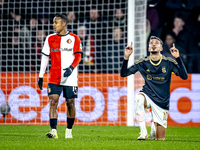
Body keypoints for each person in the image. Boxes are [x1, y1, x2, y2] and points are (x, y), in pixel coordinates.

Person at [120, 36, 188, 140]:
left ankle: (154, 126)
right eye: (151, 43)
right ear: (148, 49)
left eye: (157, 43)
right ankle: (143, 132)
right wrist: (126, 58)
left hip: (162, 101)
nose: (153, 44)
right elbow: (124, 74)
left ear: (161, 48)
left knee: (159, 139)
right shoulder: (143, 62)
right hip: (148, 94)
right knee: (138, 98)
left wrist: (177, 58)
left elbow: (184, 76)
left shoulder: (169, 62)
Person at [37, 14, 83, 139]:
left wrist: (71, 68)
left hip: (70, 76)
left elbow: (78, 56)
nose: (53, 25)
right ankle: (53, 131)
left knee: (70, 103)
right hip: (54, 76)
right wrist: (41, 75)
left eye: (56, 22)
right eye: (53, 22)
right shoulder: (49, 38)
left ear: (64, 24)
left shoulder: (74, 38)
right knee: (53, 101)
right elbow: (45, 57)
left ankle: (68, 131)